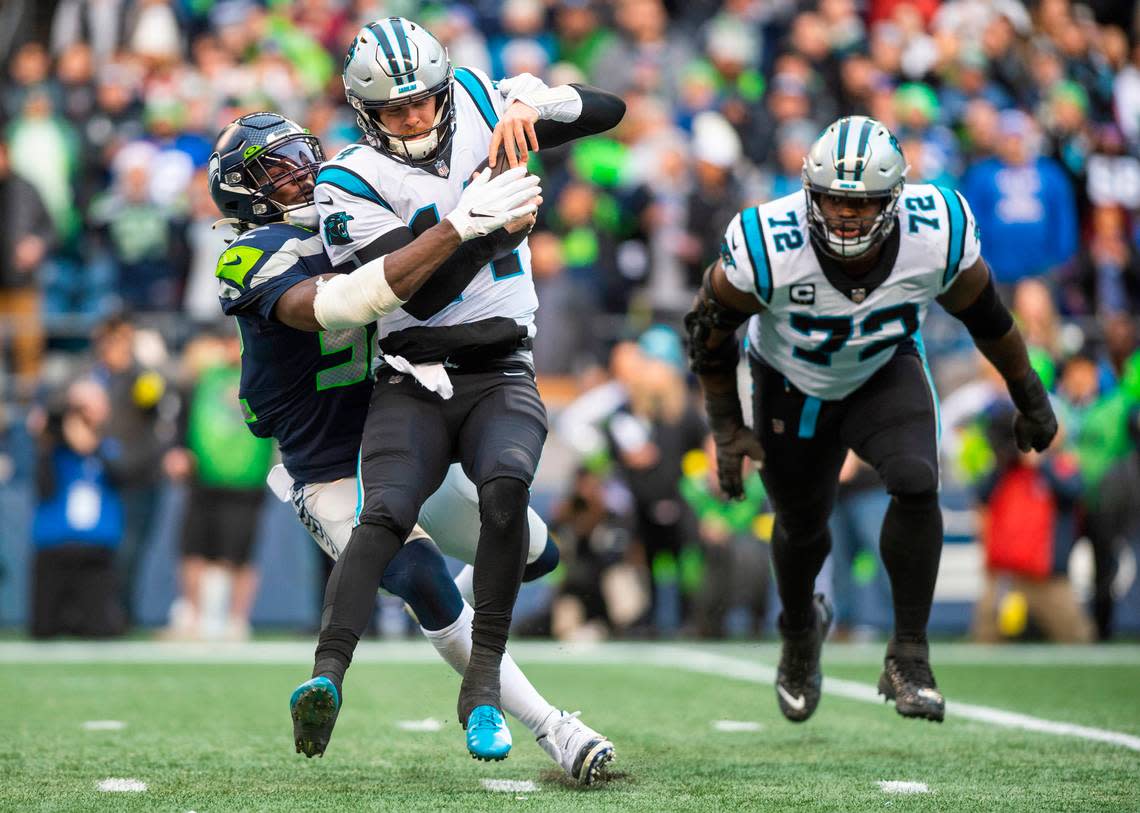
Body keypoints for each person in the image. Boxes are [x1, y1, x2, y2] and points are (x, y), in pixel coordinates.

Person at [208, 112, 612, 783]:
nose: (303, 174)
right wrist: (452, 231)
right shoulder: (249, 254)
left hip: (402, 431)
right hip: (331, 465)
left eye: (301, 156)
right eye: (275, 170)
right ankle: (555, 727)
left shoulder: (355, 206)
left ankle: (456, 625)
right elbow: (333, 305)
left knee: (536, 553)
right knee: (424, 579)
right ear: (241, 193)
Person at [307, 17, 624, 761]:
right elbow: (417, 293)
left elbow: (611, 111)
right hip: (410, 375)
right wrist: (479, 226)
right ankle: (326, 675)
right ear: (365, 114)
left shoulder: (482, 100)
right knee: (383, 512)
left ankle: (482, 679)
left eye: (424, 100)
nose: (416, 116)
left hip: (500, 366)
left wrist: (544, 103)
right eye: (396, 108)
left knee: (509, 484)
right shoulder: (348, 178)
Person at [685, 115, 1057, 724]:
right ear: (811, 193)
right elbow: (707, 329)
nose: (845, 215)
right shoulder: (768, 241)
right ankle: (800, 631)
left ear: (895, 200)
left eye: (862, 202)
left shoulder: (934, 229)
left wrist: (1029, 392)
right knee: (803, 528)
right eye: (833, 198)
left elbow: (986, 313)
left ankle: (908, 654)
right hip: (789, 384)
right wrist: (727, 428)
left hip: (883, 370)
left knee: (917, 481)